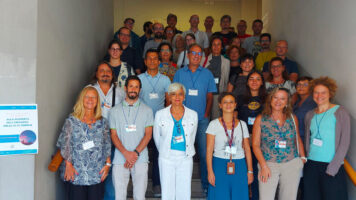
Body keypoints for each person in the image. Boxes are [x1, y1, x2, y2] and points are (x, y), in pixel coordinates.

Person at [173, 44, 217, 195]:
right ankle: (180, 184)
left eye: (200, 54)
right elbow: (174, 94)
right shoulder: (179, 73)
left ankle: (205, 185)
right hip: (183, 120)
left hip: (202, 120)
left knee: (205, 154)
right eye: (194, 53)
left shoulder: (207, 74)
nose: (197, 56)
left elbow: (210, 96)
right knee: (181, 154)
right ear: (188, 55)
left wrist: (206, 114)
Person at [56, 86, 111, 200]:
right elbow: (64, 144)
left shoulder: (103, 122)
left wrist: (108, 165)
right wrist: (68, 165)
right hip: (76, 173)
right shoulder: (71, 121)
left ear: (97, 101)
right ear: (82, 99)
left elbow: (107, 145)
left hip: (97, 173)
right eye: (87, 97)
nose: (90, 100)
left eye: (94, 97)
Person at [252, 87, 306, 200]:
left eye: (282, 98)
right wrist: (263, 166)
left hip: (291, 163)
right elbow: (256, 145)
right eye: (275, 97)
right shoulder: (261, 119)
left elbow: (297, 138)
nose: (278, 101)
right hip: (268, 164)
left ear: (287, 102)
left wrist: (303, 157)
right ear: (270, 99)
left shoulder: (292, 117)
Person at [303, 77, 350, 200]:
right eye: (316, 92)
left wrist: (333, 167)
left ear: (330, 94)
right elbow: (308, 140)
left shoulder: (340, 112)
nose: (319, 95)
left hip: (331, 166)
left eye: (323, 92)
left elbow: (344, 143)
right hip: (311, 165)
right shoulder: (309, 114)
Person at [109, 76, 154, 200]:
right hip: (119, 158)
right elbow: (114, 135)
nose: (133, 89)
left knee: (139, 196)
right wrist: (126, 153)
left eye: (136, 87)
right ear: (125, 88)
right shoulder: (114, 111)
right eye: (131, 86)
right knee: (119, 196)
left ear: (140, 90)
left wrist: (134, 153)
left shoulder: (148, 111)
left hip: (140, 158)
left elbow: (148, 135)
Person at [153, 83, 198, 200]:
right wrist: (164, 151)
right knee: (167, 192)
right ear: (169, 96)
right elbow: (157, 138)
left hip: (185, 157)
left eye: (180, 94)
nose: (177, 97)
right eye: (173, 94)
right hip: (166, 157)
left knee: (184, 191)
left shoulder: (193, 115)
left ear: (184, 96)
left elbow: (192, 137)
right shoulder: (160, 114)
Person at [206, 92, 253, 200]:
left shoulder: (242, 124)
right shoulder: (213, 124)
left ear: (235, 105)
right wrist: (210, 171)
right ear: (220, 105)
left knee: (239, 195)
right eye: (225, 102)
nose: (228, 105)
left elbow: (247, 149)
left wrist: (250, 171)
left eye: (231, 102)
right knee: (220, 195)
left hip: (239, 165)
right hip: (219, 164)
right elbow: (209, 150)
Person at [138, 49, 171, 197]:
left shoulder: (165, 80)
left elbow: (169, 102)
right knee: (141, 153)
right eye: (149, 58)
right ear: (145, 61)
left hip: (160, 123)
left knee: (159, 154)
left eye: (155, 59)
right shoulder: (138, 79)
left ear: (159, 61)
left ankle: (157, 184)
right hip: (141, 123)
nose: (152, 61)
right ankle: (140, 185)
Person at [237, 71, 267, 200]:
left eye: (258, 79)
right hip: (244, 137)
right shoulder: (240, 98)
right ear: (247, 82)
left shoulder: (268, 98)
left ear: (262, 82)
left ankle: (255, 196)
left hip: (261, 139)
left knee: (256, 169)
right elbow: (235, 117)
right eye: (251, 79)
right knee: (243, 169)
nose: (254, 81)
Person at [292, 76, 316, 200]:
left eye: (305, 84)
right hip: (296, 141)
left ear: (311, 87)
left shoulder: (313, 103)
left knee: (305, 173)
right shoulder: (297, 101)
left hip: (306, 142)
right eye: (299, 84)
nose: (301, 87)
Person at [201, 36, 230, 119]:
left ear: (222, 47)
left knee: (216, 119)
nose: (216, 47)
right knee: (204, 118)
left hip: (218, 95)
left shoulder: (226, 62)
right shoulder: (203, 60)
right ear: (210, 47)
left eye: (219, 44)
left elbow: (226, 80)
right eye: (214, 44)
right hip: (205, 94)